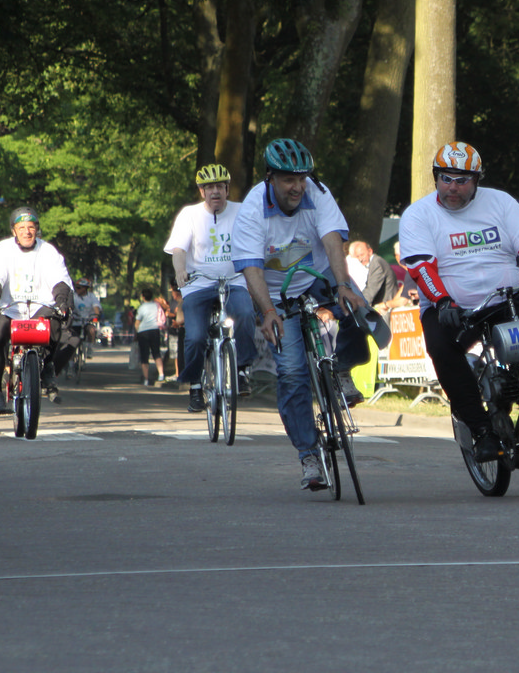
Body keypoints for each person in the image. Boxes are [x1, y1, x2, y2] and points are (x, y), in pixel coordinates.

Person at [398, 141, 519, 463]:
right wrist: (442, 301)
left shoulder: (500, 202)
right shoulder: (418, 214)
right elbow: (421, 267)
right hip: (454, 307)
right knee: (441, 348)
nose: (452, 187)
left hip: (506, 298)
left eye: (462, 180)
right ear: (435, 178)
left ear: (477, 180)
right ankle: (482, 431)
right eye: (445, 179)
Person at [231, 137, 371, 491]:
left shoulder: (317, 193)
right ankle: (309, 455)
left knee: (357, 308)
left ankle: (342, 368)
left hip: (316, 275)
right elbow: (251, 268)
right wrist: (267, 311)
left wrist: (343, 286)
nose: (297, 187)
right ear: (270, 178)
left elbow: (332, 240)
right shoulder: (252, 210)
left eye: (302, 179)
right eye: (288, 180)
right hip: (275, 292)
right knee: (293, 373)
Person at [164, 164, 258, 413]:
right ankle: (195, 386)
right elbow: (178, 249)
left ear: (227, 189)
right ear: (202, 191)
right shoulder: (190, 215)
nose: (215, 191)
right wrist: (180, 270)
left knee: (246, 313)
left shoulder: (242, 211)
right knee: (195, 336)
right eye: (209, 187)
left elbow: (255, 242)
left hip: (234, 281)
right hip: (199, 283)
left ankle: (242, 371)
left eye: (219, 186)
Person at [0, 207, 76, 411]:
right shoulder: (3, 249)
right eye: (22, 228)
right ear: (14, 230)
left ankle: (47, 365)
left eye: (31, 227)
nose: (27, 232)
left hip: (39, 309)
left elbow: (59, 279)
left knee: (55, 323)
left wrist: (62, 301)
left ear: (37, 229)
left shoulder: (48, 251)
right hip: (10, 309)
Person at [349, 240, 398, 308]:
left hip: (386, 307)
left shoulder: (376, 264)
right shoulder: (374, 263)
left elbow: (371, 291)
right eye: (358, 256)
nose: (360, 259)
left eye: (362, 255)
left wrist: (356, 304)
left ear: (370, 251)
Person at [134, 287, 166, 386]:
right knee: (156, 353)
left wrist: (136, 332)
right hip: (155, 330)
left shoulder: (141, 308)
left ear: (143, 297)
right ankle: (161, 374)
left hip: (143, 332)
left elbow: (137, 322)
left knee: (144, 355)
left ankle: (146, 379)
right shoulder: (156, 305)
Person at [71, 278, 102, 359]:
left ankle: (90, 348)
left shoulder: (91, 296)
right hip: (75, 321)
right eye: (76, 287)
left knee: (91, 330)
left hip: (87, 321)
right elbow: (69, 306)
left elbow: (96, 307)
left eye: (79, 287)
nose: (76, 289)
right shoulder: (73, 296)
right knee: (70, 336)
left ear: (85, 288)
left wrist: (96, 315)